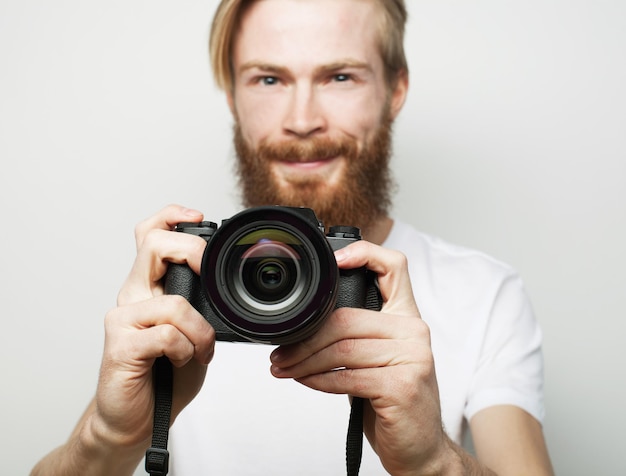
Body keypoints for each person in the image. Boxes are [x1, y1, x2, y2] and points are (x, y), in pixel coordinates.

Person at [32, 0, 554, 474]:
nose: (302, 120)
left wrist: (434, 461)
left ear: (394, 91)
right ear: (233, 96)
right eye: (268, 79)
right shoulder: (178, 281)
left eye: (340, 76)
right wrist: (111, 436)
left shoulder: (484, 293)